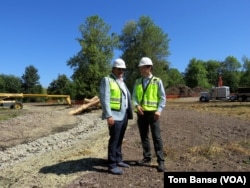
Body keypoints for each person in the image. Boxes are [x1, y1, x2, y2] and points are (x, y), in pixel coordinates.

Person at [132, 57, 166, 172]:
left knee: (156, 137)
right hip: (141, 113)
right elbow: (134, 97)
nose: (140, 70)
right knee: (144, 136)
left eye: (142, 67)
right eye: (140, 68)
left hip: (153, 114)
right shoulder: (137, 81)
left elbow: (162, 98)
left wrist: (159, 110)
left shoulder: (157, 81)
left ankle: (161, 161)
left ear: (149, 68)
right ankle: (147, 157)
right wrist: (137, 105)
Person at [100, 58, 133, 175]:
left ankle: (118, 159)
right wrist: (108, 115)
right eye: (119, 69)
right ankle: (112, 165)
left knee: (119, 139)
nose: (121, 71)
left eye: (123, 69)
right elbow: (104, 99)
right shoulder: (107, 80)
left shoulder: (121, 81)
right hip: (114, 116)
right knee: (114, 140)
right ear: (113, 69)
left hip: (123, 115)